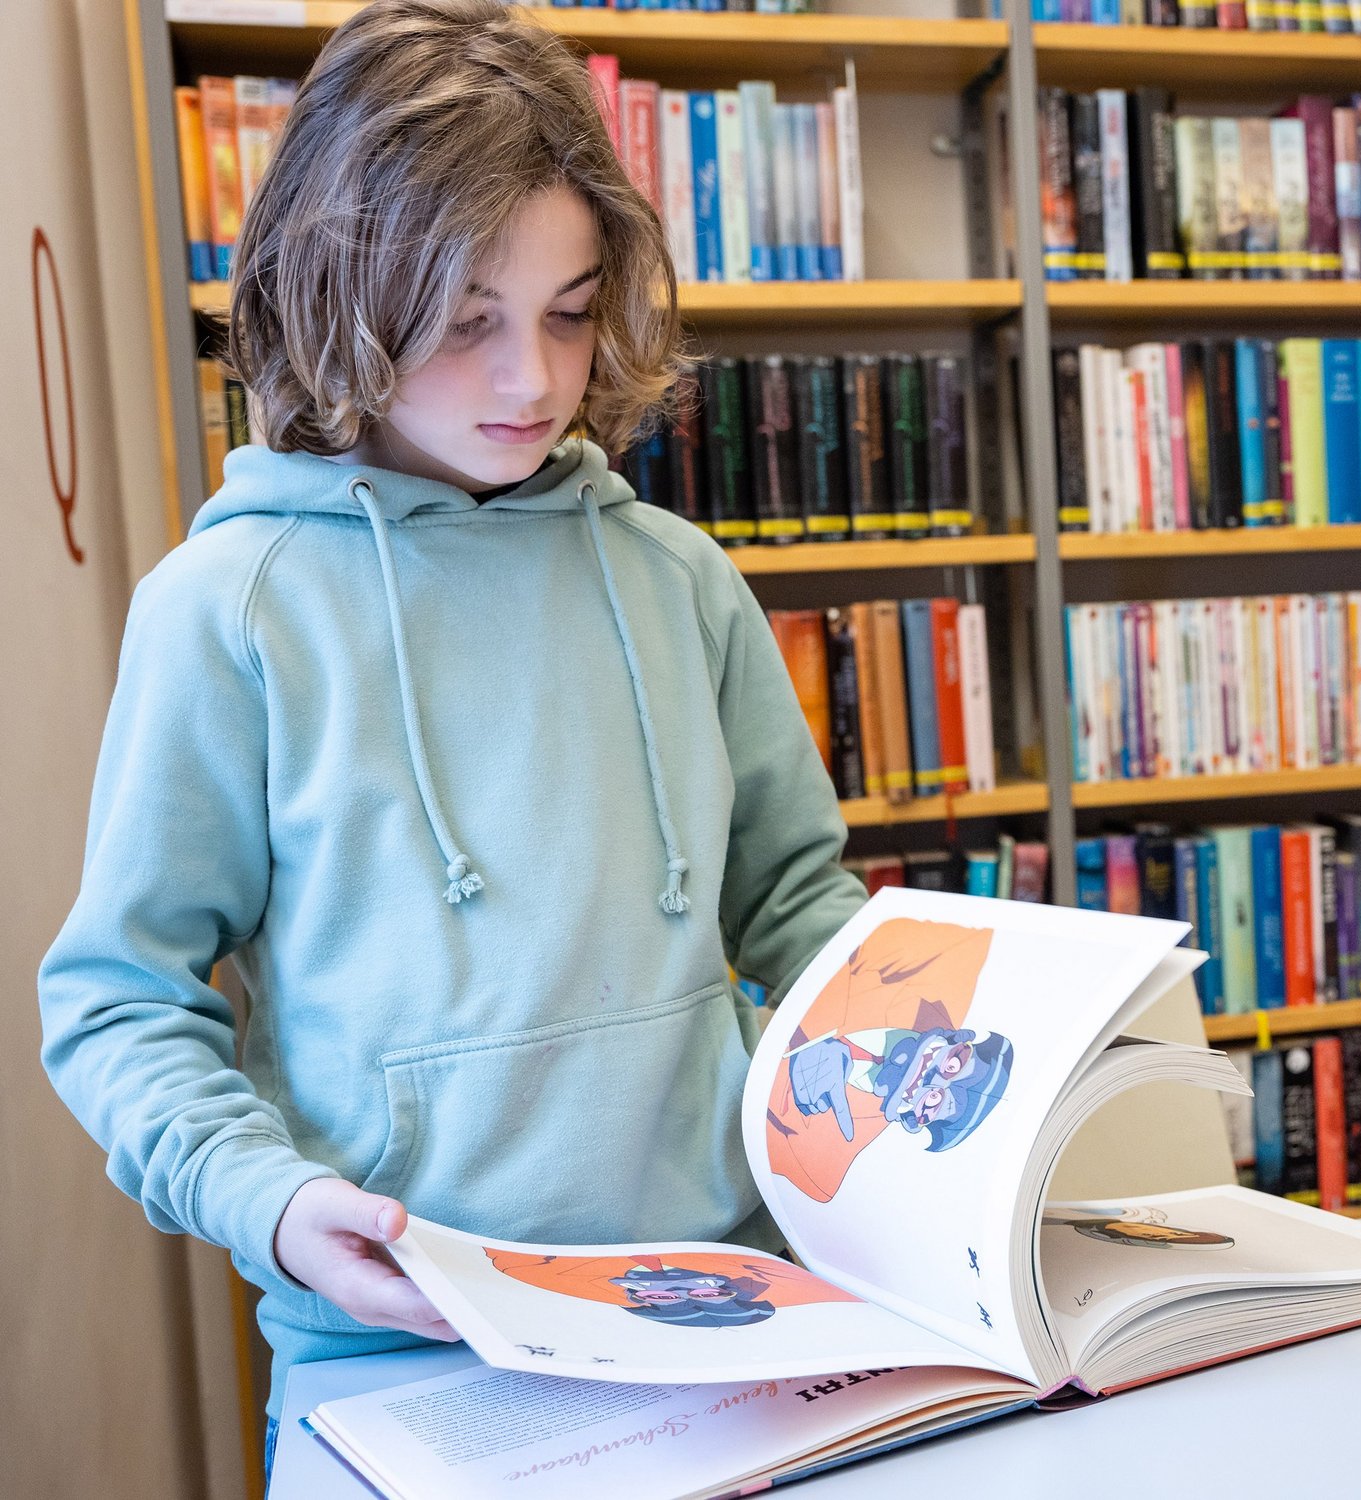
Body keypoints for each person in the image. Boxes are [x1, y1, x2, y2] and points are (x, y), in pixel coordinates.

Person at [36, 0, 865, 1457]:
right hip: (400, 1345)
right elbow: (118, 1004)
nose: (531, 381)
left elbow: (803, 911)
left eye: (566, 309)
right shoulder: (230, 611)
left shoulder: (677, 578)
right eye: (467, 318)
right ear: (335, 288)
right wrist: (272, 1205)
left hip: (730, 1312)